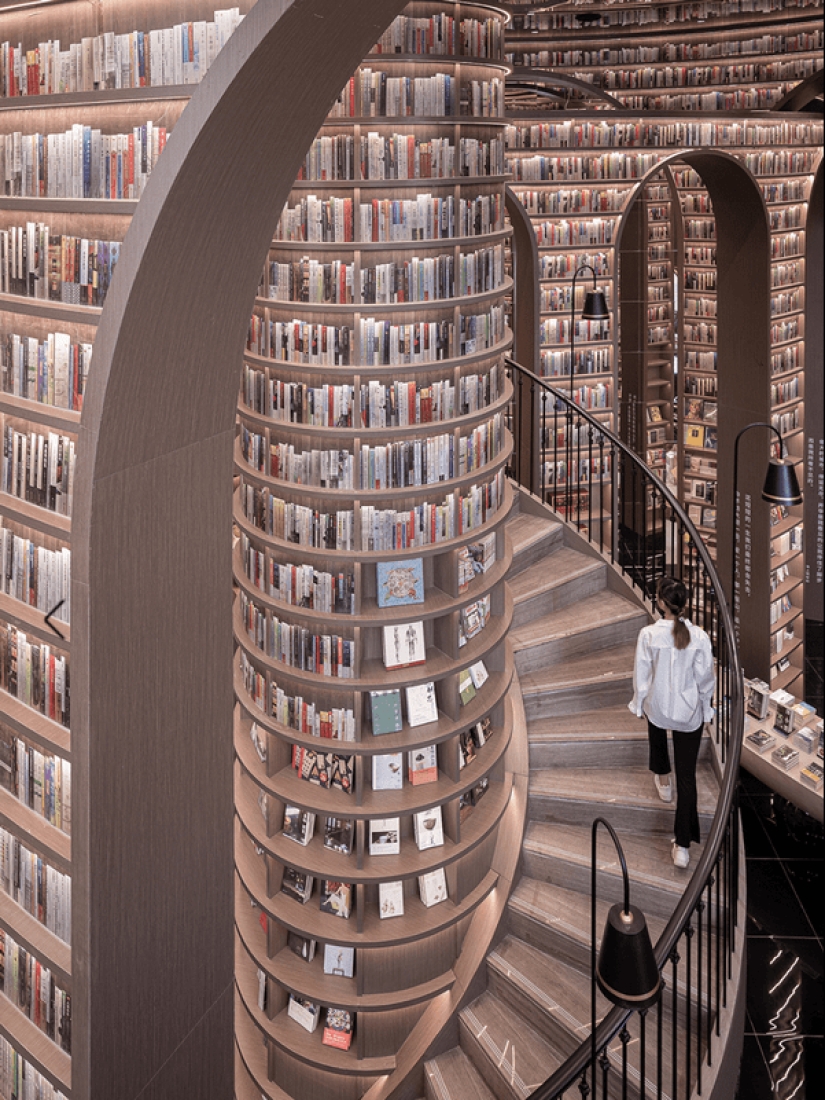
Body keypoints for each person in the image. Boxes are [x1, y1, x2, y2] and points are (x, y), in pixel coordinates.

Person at [629, 576, 715, 869]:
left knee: (654, 717)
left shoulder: (649, 635)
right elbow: (706, 680)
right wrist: (706, 710)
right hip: (688, 714)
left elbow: (642, 676)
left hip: (659, 708)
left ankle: (662, 777)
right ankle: (682, 846)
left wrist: (638, 702)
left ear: (661, 604)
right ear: (685, 605)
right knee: (688, 779)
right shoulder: (700, 637)